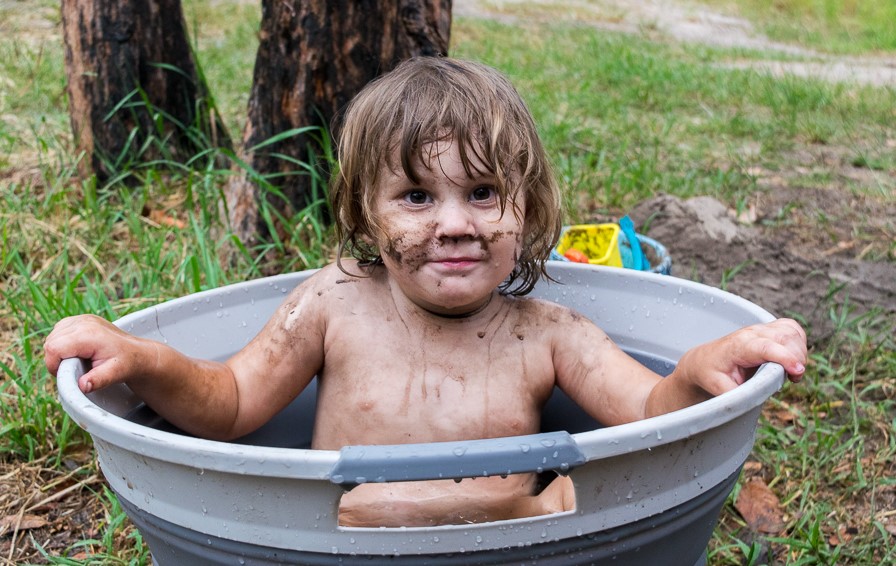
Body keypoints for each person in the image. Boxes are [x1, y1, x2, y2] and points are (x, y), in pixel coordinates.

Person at [44, 57, 807, 528]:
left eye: (483, 193)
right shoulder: (333, 304)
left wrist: (699, 367)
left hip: (522, 545)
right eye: (415, 197)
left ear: (529, 210)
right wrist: (141, 358)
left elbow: (646, 419)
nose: (454, 224)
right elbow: (232, 402)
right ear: (365, 218)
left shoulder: (547, 332)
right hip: (340, 548)